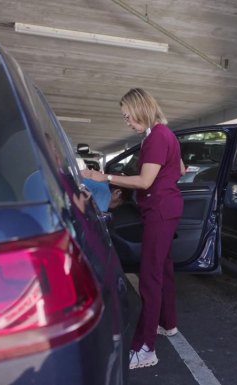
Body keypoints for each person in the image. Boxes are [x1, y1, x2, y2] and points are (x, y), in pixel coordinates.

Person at [82, 88, 185, 370]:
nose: (127, 121)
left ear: (141, 109)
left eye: (128, 116)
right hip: (169, 208)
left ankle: (145, 348)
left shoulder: (156, 138)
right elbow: (182, 168)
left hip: (159, 211)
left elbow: (144, 182)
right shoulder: (166, 134)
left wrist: (105, 176)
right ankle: (168, 323)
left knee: (150, 277)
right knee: (163, 270)